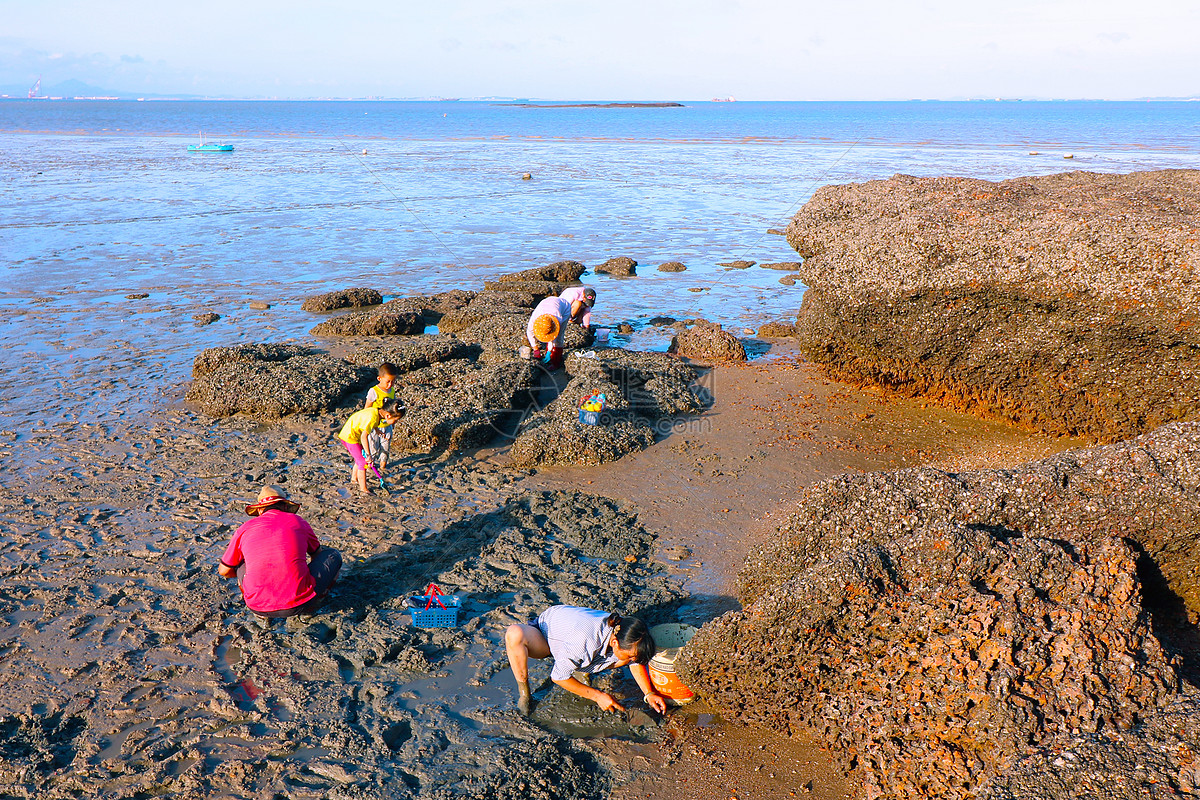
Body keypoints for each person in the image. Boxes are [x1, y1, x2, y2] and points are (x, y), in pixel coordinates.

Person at [504, 605, 669, 716]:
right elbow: (558, 677)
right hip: (547, 636)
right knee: (515, 634)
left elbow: (636, 660)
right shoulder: (583, 643)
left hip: (577, 638)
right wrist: (598, 696)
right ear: (615, 643)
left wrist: (649, 693)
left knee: (624, 658)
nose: (633, 660)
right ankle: (524, 692)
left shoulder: (624, 631)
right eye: (630, 655)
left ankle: (581, 668)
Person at [218, 485, 342, 619]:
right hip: (299, 603)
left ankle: (259, 607)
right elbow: (317, 555)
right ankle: (315, 604)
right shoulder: (298, 522)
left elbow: (224, 570)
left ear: (259, 510)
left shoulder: (244, 529)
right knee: (333, 555)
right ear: (285, 507)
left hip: (257, 606)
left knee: (240, 563)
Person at [338, 398, 405, 494]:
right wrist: (369, 456)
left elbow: (368, 423)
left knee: (359, 458)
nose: (396, 423)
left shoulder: (376, 411)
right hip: (350, 437)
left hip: (350, 433)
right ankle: (363, 488)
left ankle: (354, 479)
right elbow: (364, 437)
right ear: (388, 415)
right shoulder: (373, 418)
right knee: (363, 462)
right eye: (395, 420)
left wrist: (377, 431)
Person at [363, 363, 399, 473]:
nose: (390, 384)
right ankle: (369, 467)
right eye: (388, 381)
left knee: (386, 447)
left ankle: (383, 467)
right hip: (374, 425)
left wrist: (393, 423)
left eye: (393, 381)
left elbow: (393, 407)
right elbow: (366, 409)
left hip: (387, 425)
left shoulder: (392, 391)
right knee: (373, 447)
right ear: (379, 378)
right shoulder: (374, 391)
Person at [524, 295, 573, 369]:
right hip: (546, 303)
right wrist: (535, 349)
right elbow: (529, 332)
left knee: (559, 337)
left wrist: (549, 352)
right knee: (551, 341)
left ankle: (556, 362)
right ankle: (549, 356)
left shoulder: (558, 318)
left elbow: (554, 337)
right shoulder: (534, 318)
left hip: (564, 308)